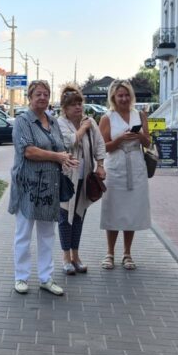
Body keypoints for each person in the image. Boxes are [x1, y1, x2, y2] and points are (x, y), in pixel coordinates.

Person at [8, 80, 79, 296]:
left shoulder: (53, 121)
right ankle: (21, 278)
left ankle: (46, 278)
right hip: (28, 186)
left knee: (47, 234)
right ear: (30, 97)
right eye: (38, 94)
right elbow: (28, 151)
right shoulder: (23, 121)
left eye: (46, 94)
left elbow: (59, 146)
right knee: (24, 234)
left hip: (50, 186)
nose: (42, 98)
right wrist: (57, 156)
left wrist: (65, 158)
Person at [99, 79, 152, 271]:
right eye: (120, 95)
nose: (124, 98)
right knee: (113, 208)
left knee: (131, 210)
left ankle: (127, 253)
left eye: (127, 94)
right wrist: (120, 139)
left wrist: (139, 136)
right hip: (115, 166)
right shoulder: (107, 117)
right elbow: (102, 147)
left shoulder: (140, 115)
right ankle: (110, 252)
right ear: (113, 96)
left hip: (136, 165)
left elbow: (148, 143)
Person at [56, 84, 106, 275]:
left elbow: (100, 145)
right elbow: (69, 142)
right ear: (65, 108)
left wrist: (100, 165)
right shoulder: (60, 123)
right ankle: (66, 257)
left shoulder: (90, 122)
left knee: (78, 216)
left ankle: (76, 256)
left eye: (80, 103)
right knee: (64, 218)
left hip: (84, 177)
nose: (78, 107)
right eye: (73, 105)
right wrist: (83, 128)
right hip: (66, 178)